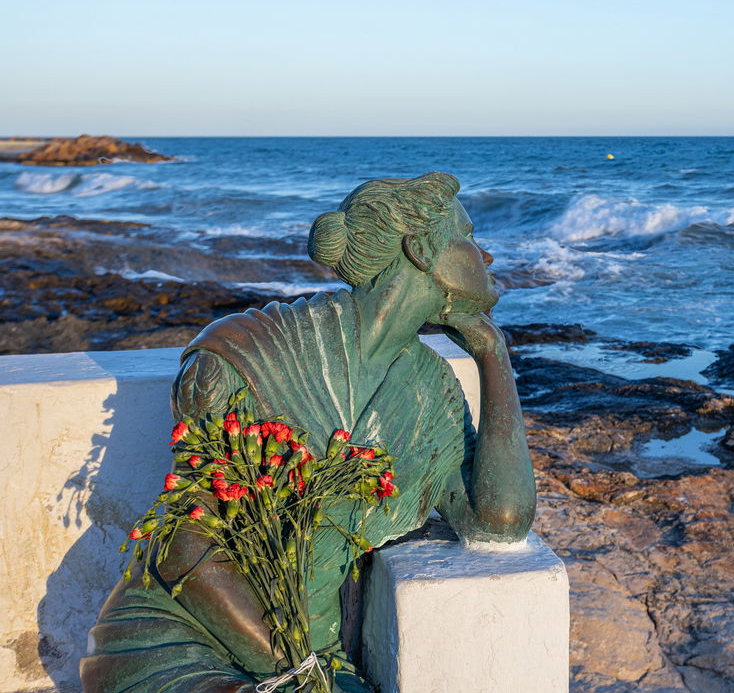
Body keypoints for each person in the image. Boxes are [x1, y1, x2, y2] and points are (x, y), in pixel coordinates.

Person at [82, 172, 536, 693]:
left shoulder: (430, 393)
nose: (487, 256)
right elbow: (184, 547)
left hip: (311, 660)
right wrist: (301, 672)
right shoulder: (244, 356)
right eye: (471, 237)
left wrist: (493, 357)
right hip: (179, 637)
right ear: (418, 248)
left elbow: (500, 521)